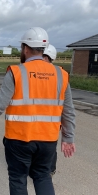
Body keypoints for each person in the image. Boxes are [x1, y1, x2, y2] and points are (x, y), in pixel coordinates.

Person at [0, 27, 76, 195]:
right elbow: (69, 112)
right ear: (44, 48)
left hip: (19, 138)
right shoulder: (60, 74)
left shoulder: (17, 71)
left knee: (18, 177)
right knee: (42, 176)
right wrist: (68, 138)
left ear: (25, 48)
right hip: (48, 139)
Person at [43, 44, 58, 176]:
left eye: (44, 57)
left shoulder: (55, 75)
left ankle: (50, 169)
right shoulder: (59, 74)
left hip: (51, 117)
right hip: (50, 117)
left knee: (50, 145)